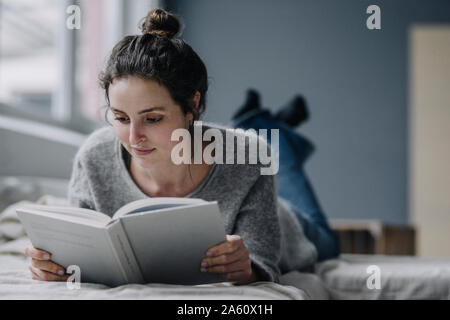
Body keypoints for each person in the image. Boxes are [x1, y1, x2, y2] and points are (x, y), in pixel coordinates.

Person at [24, 8, 322, 285]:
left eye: (152, 118)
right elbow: (79, 252)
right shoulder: (94, 157)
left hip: (294, 232)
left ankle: (268, 127)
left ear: (192, 104)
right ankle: (262, 121)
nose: (133, 137)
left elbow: (263, 264)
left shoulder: (249, 158)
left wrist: (246, 267)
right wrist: (53, 265)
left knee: (313, 221)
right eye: (120, 117)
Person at [231, 90, 340, 261]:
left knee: (277, 167)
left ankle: (266, 125)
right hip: (290, 227)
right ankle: (267, 125)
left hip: (278, 221)